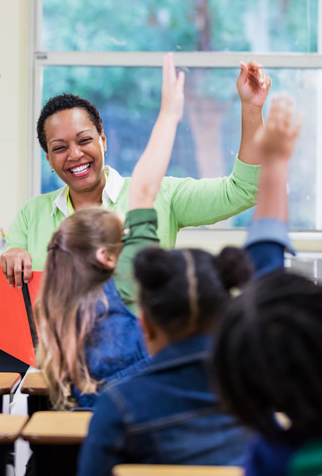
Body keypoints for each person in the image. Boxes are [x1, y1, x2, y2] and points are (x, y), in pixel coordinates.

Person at [77, 95, 299, 474]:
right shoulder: (260, 395)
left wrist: (169, 114)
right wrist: (276, 163)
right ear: (226, 321)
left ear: (145, 326)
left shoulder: (119, 408)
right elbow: (267, 263)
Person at [1, 61, 271, 309]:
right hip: (56, 358)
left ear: (103, 141)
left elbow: (245, 189)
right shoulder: (30, 215)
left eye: (84, 141)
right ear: (48, 158)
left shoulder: (161, 195)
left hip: (143, 356)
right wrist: (11, 255)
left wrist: (251, 108)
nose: (74, 155)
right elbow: (13, 288)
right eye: (60, 148)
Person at [35, 53, 183, 408]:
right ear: (107, 257)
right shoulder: (129, 288)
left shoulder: (55, 315)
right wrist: (169, 114)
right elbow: (145, 189)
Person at [212, 97, 318, 476]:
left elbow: (265, 267)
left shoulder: (272, 457)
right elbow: (266, 268)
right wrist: (275, 163)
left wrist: (275, 162)